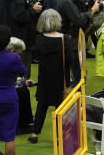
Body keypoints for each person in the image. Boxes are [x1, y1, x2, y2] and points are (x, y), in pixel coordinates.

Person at [28, 10, 79, 144]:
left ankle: (35, 133)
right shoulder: (66, 40)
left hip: (44, 78)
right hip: (61, 79)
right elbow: (71, 60)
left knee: (41, 106)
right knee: (60, 108)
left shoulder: (39, 39)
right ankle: (58, 136)